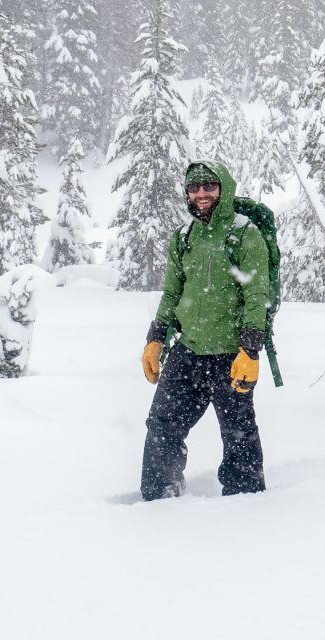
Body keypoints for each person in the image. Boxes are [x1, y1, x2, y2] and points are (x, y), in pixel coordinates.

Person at [139, 160, 270, 500]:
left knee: (237, 431)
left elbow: (256, 293)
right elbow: (171, 292)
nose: (201, 194)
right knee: (162, 423)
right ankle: (159, 493)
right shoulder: (183, 238)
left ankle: (245, 501)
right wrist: (155, 340)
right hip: (189, 349)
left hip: (232, 352)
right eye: (194, 187)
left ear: (222, 189)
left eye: (208, 186)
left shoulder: (244, 233)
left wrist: (250, 350)